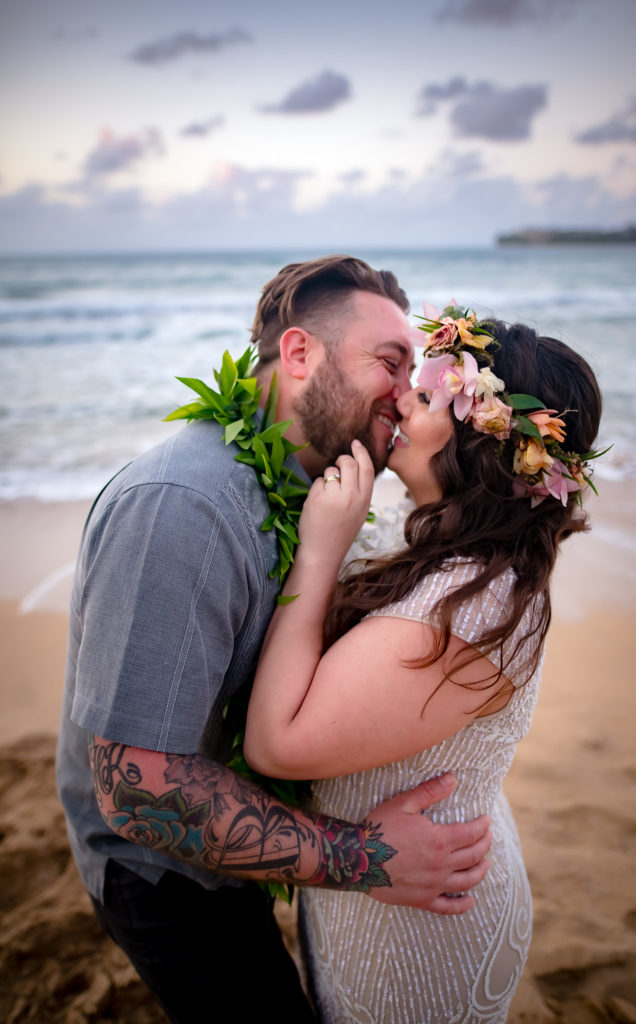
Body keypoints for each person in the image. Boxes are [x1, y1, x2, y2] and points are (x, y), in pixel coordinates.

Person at [56, 259, 493, 1024]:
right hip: (163, 874)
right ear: (298, 355)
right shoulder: (183, 508)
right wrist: (366, 858)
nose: (406, 392)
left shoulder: (311, 484)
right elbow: (134, 787)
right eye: (388, 364)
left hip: (239, 845)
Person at [244, 307, 603, 1022]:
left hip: (417, 944)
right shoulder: (448, 553)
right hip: (407, 877)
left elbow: (275, 743)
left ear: (485, 443)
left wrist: (317, 553)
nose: (404, 395)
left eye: (433, 395)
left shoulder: (468, 609)